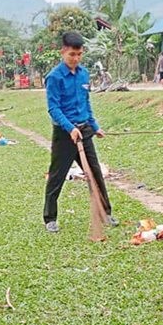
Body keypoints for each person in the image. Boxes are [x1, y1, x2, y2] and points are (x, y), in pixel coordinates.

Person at [42, 31, 118, 233]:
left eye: (79, 54)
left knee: (95, 173)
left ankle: (105, 213)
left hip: (84, 131)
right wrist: (70, 128)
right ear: (63, 52)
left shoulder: (84, 74)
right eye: (72, 54)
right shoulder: (54, 77)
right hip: (64, 134)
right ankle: (50, 218)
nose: (75, 59)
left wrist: (94, 126)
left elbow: (86, 102)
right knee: (57, 176)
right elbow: (53, 108)